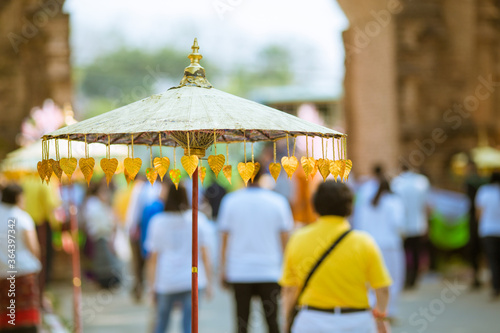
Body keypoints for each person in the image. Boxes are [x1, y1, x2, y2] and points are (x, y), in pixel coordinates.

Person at [280, 181, 391, 333]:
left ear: (316, 205)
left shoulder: (298, 239)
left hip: (312, 320)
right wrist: (380, 317)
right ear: (349, 207)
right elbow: (382, 288)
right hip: (356, 321)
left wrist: (287, 321)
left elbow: (289, 289)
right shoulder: (364, 242)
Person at [218, 167, 293, 333]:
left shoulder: (231, 201)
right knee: (273, 323)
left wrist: (223, 269)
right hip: (270, 271)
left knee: (242, 323)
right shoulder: (278, 201)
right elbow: (285, 240)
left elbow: (224, 240)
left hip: (239, 271)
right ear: (261, 174)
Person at [145, 183, 213, 333]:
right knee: (189, 325)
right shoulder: (197, 220)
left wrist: (151, 287)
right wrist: (209, 282)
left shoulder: (158, 222)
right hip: (192, 280)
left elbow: (153, 259)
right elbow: (204, 254)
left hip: (166, 280)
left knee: (161, 323)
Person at [357, 177, 405, 318]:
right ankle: (390, 310)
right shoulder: (394, 202)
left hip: (371, 245)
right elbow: (399, 224)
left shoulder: (367, 203)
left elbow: (359, 225)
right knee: (393, 279)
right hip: (390, 246)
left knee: (371, 280)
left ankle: (374, 307)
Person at [0, 184, 42, 332]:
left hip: (3, 274)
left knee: (6, 320)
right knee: (26, 321)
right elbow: (33, 247)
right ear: (18, 198)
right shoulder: (21, 217)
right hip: (24, 272)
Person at [391, 165, 430, 289]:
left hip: (403, 225)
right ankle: (414, 279)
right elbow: (426, 205)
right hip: (418, 223)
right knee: (416, 251)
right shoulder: (421, 182)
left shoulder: (396, 182)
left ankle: (405, 278)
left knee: (403, 252)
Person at [82, 181, 121, 289]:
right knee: (102, 261)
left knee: (106, 261)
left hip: (104, 236)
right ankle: (105, 281)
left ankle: (109, 281)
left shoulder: (100, 204)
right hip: (99, 236)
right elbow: (97, 223)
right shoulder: (93, 204)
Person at [475, 172, 500, 300]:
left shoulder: (484, 191)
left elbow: (479, 212)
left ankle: (496, 287)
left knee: (492, 260)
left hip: (488, 230)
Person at [464, 161, 488, 289]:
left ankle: (477, 276)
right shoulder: (484, 183)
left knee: (474, 249)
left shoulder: (470, 182)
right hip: (483, 222)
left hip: (476, 220)